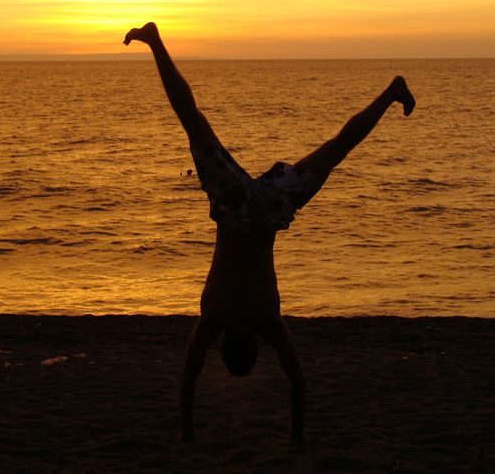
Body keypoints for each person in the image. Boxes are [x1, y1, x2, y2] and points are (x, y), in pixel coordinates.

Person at [123, 22, 415, 445]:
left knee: (335, 151)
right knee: (193, 120)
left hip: (269, 209)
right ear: (225, 346)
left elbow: (293, 378)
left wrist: (294, 435)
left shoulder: (266, 320)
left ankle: (391, 92)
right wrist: (187, 429)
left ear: (253, 347)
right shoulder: (215, 319)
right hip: (238, 204)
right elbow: (191, 375)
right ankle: (154, 41)